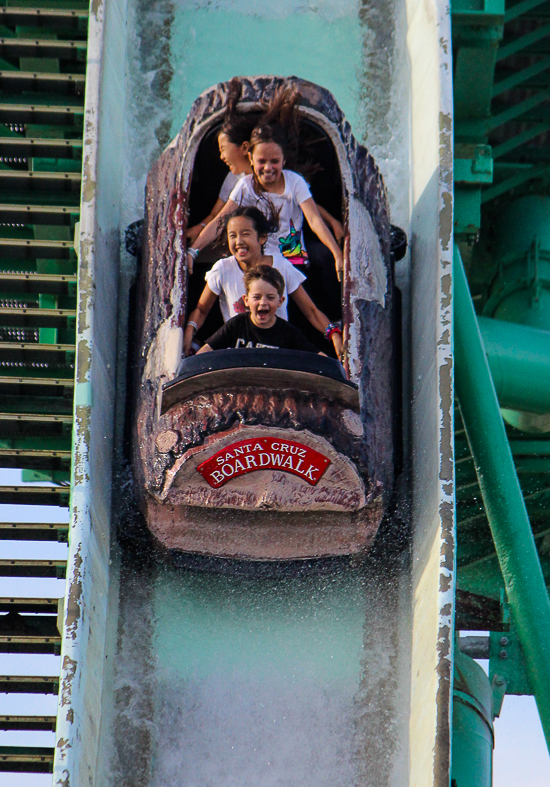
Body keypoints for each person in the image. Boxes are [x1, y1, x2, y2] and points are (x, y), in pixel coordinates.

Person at [186, 83, 344, 279]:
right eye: (262, 161)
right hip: (258, 268)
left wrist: (338, 253)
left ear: (283, 160)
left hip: (292, 265)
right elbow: (220, 220)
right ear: (250, 158)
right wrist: (193, 251)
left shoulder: (295, 182)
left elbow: (314, 220)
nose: (268, 168)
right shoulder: (244, 186)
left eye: (274, 162)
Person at [183, 206, 343, 358]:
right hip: (238, 355)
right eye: (233, 235)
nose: (238, 242)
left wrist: (333, 333)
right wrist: (189, 331)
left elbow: (311, 311)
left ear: (262, 237)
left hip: (276, 353)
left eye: (245, 234)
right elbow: (201, 310)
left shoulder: (282, 266)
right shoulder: (222, 268)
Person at [186, 78, 255, 244]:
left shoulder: (269, 178)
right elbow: (217, 216)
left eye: (223, 149)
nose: (221, 157)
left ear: (244, 148)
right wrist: (199, 229)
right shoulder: (235, 179)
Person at [197, 265, 322, 355]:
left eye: (270, 298)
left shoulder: (288, 332)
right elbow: (204, 353)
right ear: (246, 300)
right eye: (256, 297)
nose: (263, 303)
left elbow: (318, 358)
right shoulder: (236, 325)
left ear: (280, 301)